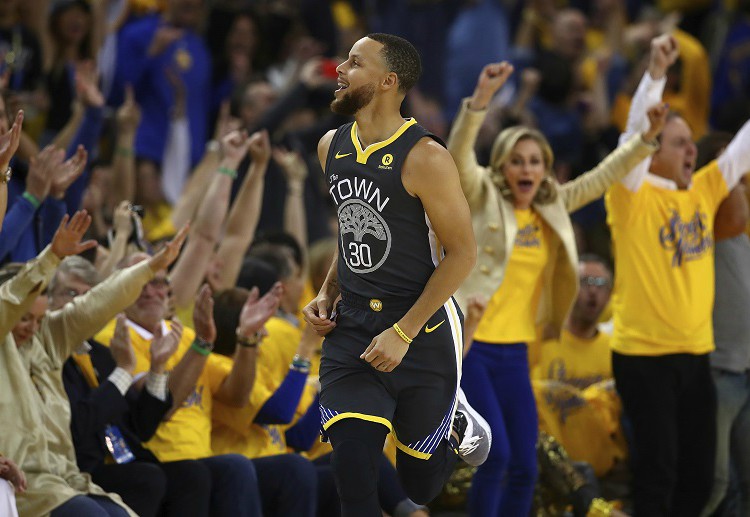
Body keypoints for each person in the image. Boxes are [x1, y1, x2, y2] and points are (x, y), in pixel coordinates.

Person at [445, 60, 664, 517]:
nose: (526, 169)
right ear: (502, 166)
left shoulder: (551, 206)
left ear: (546, 169)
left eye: (535, 162)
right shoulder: (483, 194)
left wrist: (644, 141)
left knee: (525, 466)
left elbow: (600, 178)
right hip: (471, 346)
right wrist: (480, 101)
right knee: (495, 457)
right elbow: (459, 157)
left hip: (516, 352)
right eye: (517, 161)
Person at [303, 33, 489, 517]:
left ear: (388, 81)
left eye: (354, 62)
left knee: (419, 487)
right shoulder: (330, 146)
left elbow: (462, 254)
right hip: (353, 330)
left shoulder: (425, 156)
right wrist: (327, 290)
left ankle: (452, 422)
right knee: (353, 473)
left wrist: (403, 333)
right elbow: (353, 231)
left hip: (421, 330)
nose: (340, 69)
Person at [605, 34, 750, 516]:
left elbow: (742, 149)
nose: (692, 152)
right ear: (654, 151)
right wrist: (655, 75)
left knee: (699, 478)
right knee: (658, 474)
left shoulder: (702, 193)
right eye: (680, 143)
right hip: (644, 358)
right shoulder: (630, 194)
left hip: (696, 356)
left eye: (692, 144)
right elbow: (631, 141)